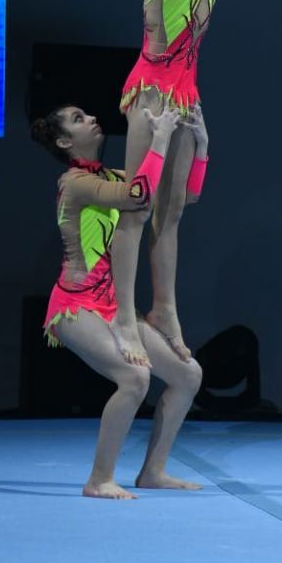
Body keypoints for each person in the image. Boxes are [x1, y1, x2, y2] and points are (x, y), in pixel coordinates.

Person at [32, 104, 204, 499]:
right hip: (75, 307)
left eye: (86, 114)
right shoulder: (73, 182)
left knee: (188, 375)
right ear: (64, 142)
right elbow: (139, 195)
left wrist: (201, 145)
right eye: (78, 119)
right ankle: (99, 479)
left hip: (112, 305)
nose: (91, 118)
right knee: (134, 378)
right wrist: (158, 138)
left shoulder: (113, 178)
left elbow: (184, 196)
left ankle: (153, 472)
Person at [113, 0, 212, 368]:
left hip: (188, 89)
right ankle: (126, 314)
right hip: (151, 87)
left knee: (172, 210)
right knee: (138, 208)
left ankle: (165, 309)